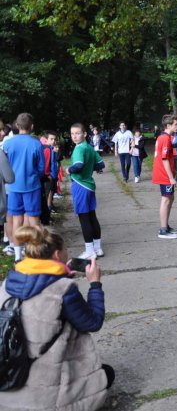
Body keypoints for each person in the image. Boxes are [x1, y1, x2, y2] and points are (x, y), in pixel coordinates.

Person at [0, 226, 113, 410]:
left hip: (7, 382)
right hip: (45, 396)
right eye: (66, 250)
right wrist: (95, 285)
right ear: (57, 254)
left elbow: (39, 283)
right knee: (106, 374)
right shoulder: (63, 290)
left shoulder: (8, 283)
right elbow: (93, 322)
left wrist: (62, 273)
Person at [3, 113, 45, 262]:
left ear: (17, 126)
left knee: (16, 221)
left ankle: (17, 256)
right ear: (32, 126)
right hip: (32, 186)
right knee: (34, 221)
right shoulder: (36, 144)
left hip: (14, 187)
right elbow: (41, 168)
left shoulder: (8, 144)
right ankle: (38, 252)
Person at [67, 123, 106, 259]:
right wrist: (89, 169)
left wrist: (68, 170)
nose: (74, 136)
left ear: (84, 134)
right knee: (92, 217)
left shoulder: (79, 149)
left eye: (77, 133)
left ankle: (89, 251)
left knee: (84, 218)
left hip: (80, 185)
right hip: (89, 186)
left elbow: (78, 165)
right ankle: (97, 248)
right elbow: (101, 164)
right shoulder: (89, 148)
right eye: (72, 134)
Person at [152, 114, 177, 239]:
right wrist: (171, 177)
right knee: (166, 199)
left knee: (170, 198)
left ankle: (166, 226)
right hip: (164, 174)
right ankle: (163, 230)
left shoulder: (166, 137)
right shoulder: (165, 138)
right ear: (168, 125)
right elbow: (164, 159)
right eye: (176, 124)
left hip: (166, 174)